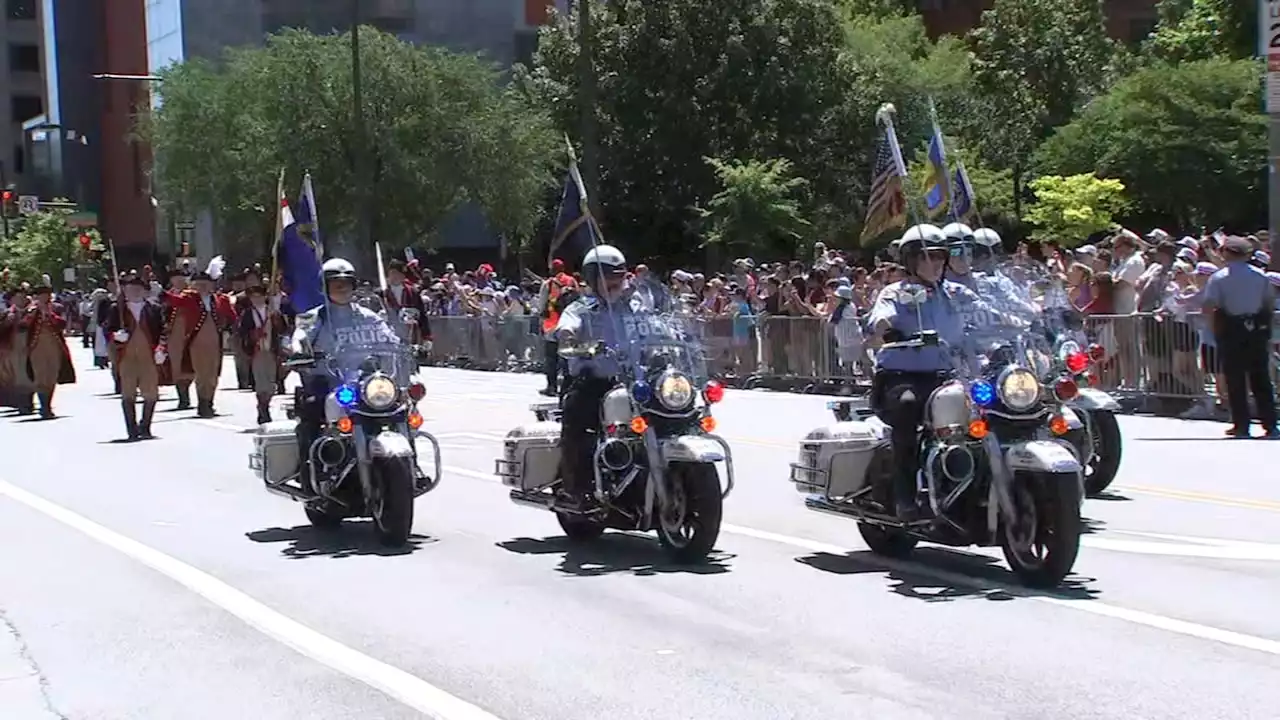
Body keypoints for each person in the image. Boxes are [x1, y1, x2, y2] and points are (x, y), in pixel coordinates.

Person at [867, 224, 988, 521]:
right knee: (908, 407)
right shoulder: (896, 293)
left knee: (993, 406)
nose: (933, 264)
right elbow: (878, 320)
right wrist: (886, 329)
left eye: (938, 257)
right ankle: (905, 494)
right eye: (925, 258)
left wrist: (1032, 319)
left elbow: (986, 311)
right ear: (910, 260)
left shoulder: (956, 294)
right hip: (902, 377)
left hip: (947, 376)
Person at [289, 258, 400, 489]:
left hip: (364, 382)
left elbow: (390, 339)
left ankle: (408, 468)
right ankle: (312, 470)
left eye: (346, 283)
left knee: (400, 408)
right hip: (328, 380)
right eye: (336, 283)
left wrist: (404, 347)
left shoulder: (367, 316)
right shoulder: (315, 317)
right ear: (325, 286)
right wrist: (299, 350)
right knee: (313, 409)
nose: (342, 287)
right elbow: (299, 337)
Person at [552, 244, 640, 510]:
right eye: (608, 278)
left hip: (634, 382)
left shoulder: (634, 306)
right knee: (578, 418)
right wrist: (575, 343)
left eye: (619, 276)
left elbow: (659, 325)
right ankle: (574, 488)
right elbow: (565, 334)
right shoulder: (580, 310)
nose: (615, 283)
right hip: (592, 381)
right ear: (593, 280)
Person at [1201, 237, 1278, 438]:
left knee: (1235, 379)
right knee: (1260, 377)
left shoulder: (1219, 278)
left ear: (1226, 253)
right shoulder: (1260, 276)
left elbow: (1208, 305)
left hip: (1231, 328)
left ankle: (1241, 425)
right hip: (1256, 329)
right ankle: (1270, 424)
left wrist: (1214, 326)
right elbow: (1268, 303)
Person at [104, 275, 168, 440]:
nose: (135, 291)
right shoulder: (117, 309)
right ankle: (131, 429)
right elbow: (108, 329)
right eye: (131, 288)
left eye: (138, 288)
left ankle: (145, 426)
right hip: (127, 356)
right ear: (125, 290)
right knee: (128, 393)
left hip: (149, 355)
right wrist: (116, 336)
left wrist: (161, 349)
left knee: (151, 393)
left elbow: (163, 331)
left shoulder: (154, 308)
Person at [168, 271, 236, 417]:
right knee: (201, 373)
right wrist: (158, 292)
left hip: (215, 342)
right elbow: (174, 300)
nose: (202, 287)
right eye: (198, 284)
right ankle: (203, 403)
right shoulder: (189, 298)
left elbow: (232, 316)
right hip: (196, 341)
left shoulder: (220, 299)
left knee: (213, 375)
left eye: (205, 284)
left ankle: (209, 401)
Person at [19, 283, 76, 419]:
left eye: (47, 295)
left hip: (54, 346)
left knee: (52, 376)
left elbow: (62, 323)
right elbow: (23, 326)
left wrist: (49, 314)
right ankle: (44, 407)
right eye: (42, 295)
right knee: (40, 376)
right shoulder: (31, 310)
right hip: (36, 347)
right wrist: (33, 313)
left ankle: (48, 404)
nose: (45, 297)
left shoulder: (56, 308)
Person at [536, 259, 578, 396]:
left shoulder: (548, 284)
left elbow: (541, 306)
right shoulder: (572, 282)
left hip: (551, 326)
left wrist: (541, 319)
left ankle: (552, 387)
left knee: (551, 358)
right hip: (569, 325)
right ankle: (567, 388)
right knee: (567, 357)